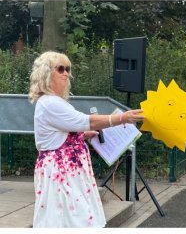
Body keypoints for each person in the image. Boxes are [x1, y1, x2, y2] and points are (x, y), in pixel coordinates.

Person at [28, 51, 144, 228]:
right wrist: (121, 118)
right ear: (46, 73)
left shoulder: (54, 102)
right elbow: (86, 121)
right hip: (61, 173)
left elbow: (63, 131)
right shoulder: (50, 103)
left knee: (73, 218)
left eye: (68, 69)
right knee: (67, 220)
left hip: (69, 171)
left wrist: (82, 135)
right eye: (60, 69)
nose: (66, 73)